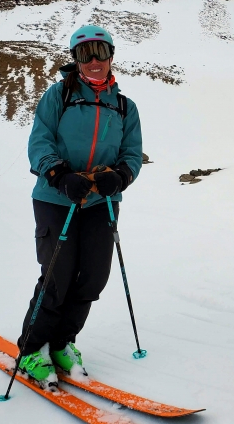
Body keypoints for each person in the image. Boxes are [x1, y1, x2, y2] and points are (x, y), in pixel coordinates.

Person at [17, 25, 143, 384]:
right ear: (75, 59)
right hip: (57, 198)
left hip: (101, 202)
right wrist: (58, 174)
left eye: (100, 52)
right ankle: (31, 349)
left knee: (92, 277)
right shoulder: (58, 97)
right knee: (57, 277)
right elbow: (39, 142)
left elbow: (132, 154)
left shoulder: (124, 106)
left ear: (111, 55)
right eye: (84, 54)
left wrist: (119, 176)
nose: (93, 61)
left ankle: (61, 342)